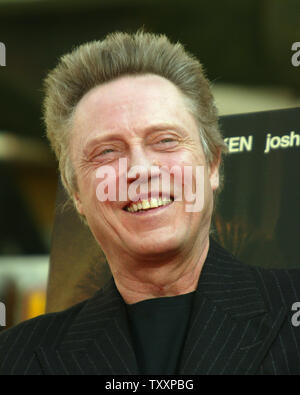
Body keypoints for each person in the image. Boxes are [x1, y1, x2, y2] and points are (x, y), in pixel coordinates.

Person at [0, 30, 300, 375]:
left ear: (213, 165)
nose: (140, 170)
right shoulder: (15, 359)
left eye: (165, 141)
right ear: (76, 194)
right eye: (107, 152)